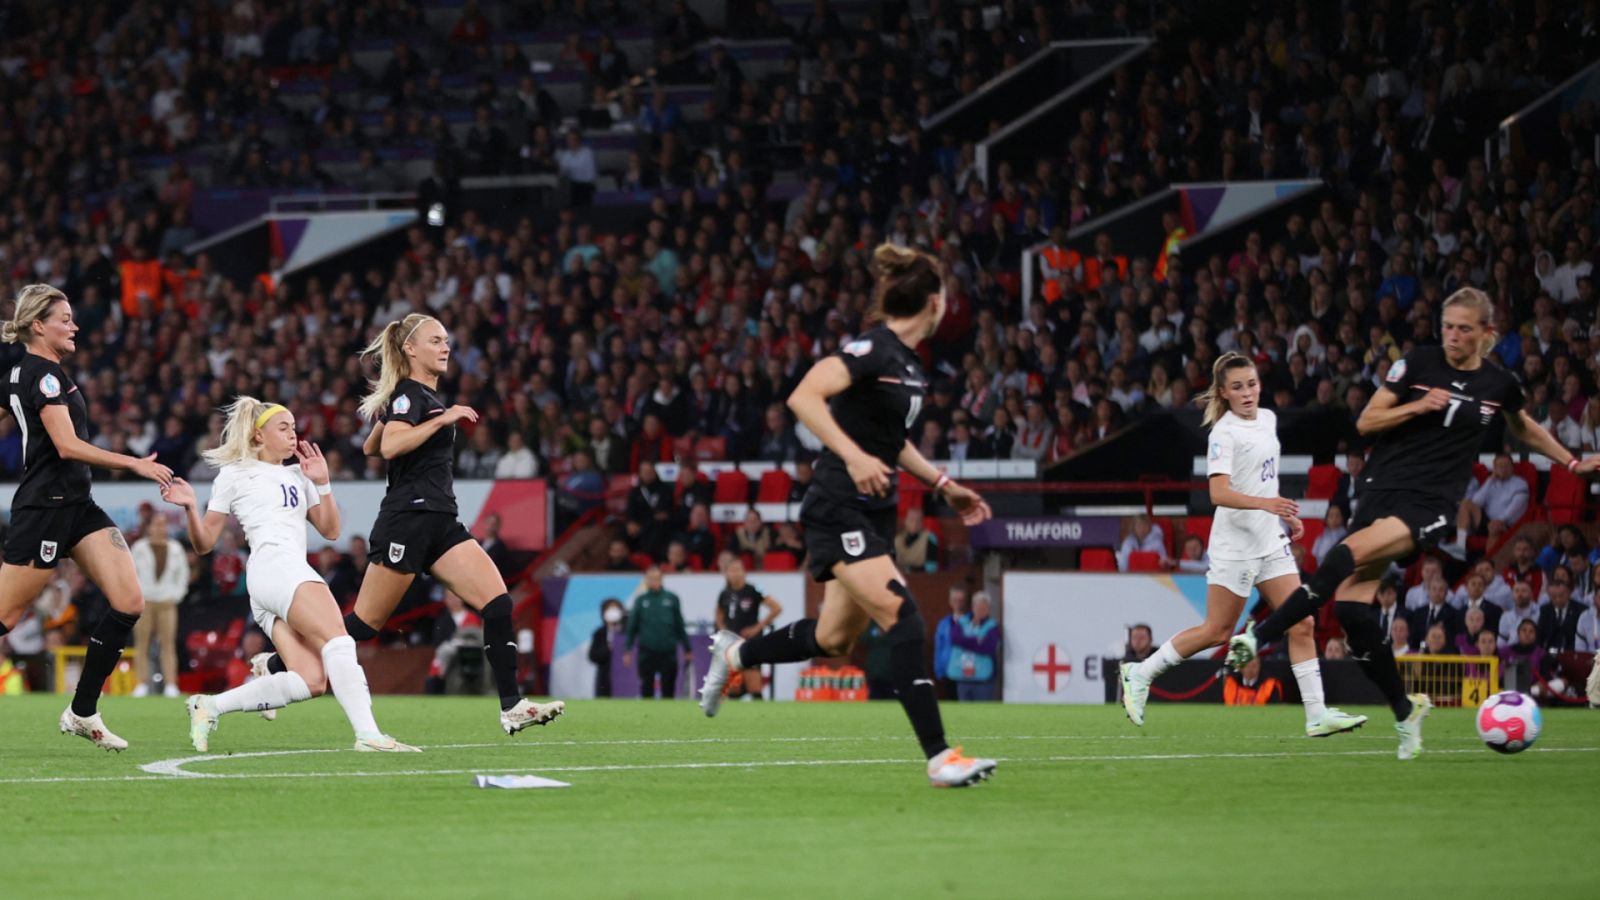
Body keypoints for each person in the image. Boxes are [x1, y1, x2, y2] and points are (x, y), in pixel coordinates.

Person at [1230, 289, 1600, 760]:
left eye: (1465, 328)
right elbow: (1368, 419)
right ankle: (1406, 713)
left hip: (1431, 502)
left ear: (1487, 334)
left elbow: (1522, 425)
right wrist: (1418, 407)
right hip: (1382, 486)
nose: (1453, 336)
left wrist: (1570, 463)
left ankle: (1257, 637)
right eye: (1448, 326)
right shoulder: (1418, 364)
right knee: (1350, 611)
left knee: (1342, 557)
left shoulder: (1497, 383)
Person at [698, 244, 998, 788]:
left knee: (835, 639)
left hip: (874, 511)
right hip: (838, 505)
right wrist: (855, 457)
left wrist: (944, 484)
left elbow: (893, 442)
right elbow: (805, 396)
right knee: (903, 618)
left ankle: (735, 652)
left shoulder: (908, 366)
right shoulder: (873, 349)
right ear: (935, 302)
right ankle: (939, 757)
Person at [250, 313, 564, 735]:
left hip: (442, 521)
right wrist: (441, 418)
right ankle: (272, 662)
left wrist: (407, 417)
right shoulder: (412, 396)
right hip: (408, 520)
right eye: (435, 340)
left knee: (498, 604)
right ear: (410, 350)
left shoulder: (414, 398)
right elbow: (393, 445)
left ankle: (512, 706)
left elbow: (372, 445)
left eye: (447, 340)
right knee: (361, 626)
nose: (445, 346)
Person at [1123, 352, 1365, 737]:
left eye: (1251, 384)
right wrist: (1266, 504)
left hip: (1270, 540)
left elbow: (1263, 479)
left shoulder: (1268, 419)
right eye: (1238, 387)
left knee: (1302, 621)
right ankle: (1140, 672)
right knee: (1217, 632)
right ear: (1224, 392)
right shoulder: (1224, 433)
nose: (1248, 392)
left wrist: (1283, 513)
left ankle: (1316, 714)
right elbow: (1218, 492)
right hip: (1235, 547)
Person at [164, 399, 416, 752]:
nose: (292, 433)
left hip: (272, 580)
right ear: (258, 435)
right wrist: (191, 507)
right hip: (277, 567)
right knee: (339, 641)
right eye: (283, 427)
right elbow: (204, 543)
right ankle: (368, 735)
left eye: (294, 426)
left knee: (312, 681)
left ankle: (209, 706)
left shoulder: (300, 473)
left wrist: (324, 483)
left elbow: (330, 530)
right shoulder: (235, 473)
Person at [0, 285, 174, 751]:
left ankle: (81, 712)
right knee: (5, 617)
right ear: (39, 325)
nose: (74, 325)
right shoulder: (44, 377)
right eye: (65, 318)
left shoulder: (22, 373)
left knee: (129, 600)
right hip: (44, 509)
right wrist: (134, 463)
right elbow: (66, 446)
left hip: (78, 505)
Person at [129, 513, 190, 697]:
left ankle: (171, 684)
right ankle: (141, 683)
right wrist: (137, 596)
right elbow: (131, 572)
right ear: (149, 527)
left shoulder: (175, 548)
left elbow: (183, 574)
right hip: (145, 602)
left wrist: (176, 596)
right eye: (156, 524)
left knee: (168, 644)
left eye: (163, 524)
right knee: (142, 644)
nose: (160, 528)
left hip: (166, 602)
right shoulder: (139, 548)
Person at [713, 557, 783, 699]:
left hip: (750, 642)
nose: (735, 573)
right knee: (733, 689)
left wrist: (757, 628)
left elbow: (776, 608)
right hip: (731, 644)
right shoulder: (724, 593)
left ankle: (762, 718)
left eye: (738, 570)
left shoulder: (754, 590)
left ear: (744, 572)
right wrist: (723, 629)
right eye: (732, 570)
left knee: (754, 687)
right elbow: (718, 613)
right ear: (726, 574)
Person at [625, 565, 689, 698]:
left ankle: (668, 716)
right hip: (647, 651)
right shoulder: (641, 600)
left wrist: (687, 648)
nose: (654, 581)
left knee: (668, 687)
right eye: (650, 578)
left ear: (661, 579)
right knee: (646, 687)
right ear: (646, 580)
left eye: (656, 578)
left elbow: (679, 624)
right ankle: (646, 716)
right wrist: (627, 649)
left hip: (668, 650)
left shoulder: (672, 598)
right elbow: (632, 627)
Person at [947, 590, 999, 701]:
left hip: (983, 679)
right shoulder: (962, 622)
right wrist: (976, 640)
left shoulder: (992, 626)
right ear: (973, 607)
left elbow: (988, 646)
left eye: (984, 609)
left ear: (988, 609)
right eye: (978, 608)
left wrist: (965, 641)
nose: (981, 611)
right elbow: (955, 639)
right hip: (962, 676)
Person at [587, 598, 626, 697]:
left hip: (623, 677)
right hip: (605, 676)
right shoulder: (599, 633)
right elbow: (592, 656)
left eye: (615, 608)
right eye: (609, 608)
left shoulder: (626, 632)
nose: (612, 612)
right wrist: (608, 649)